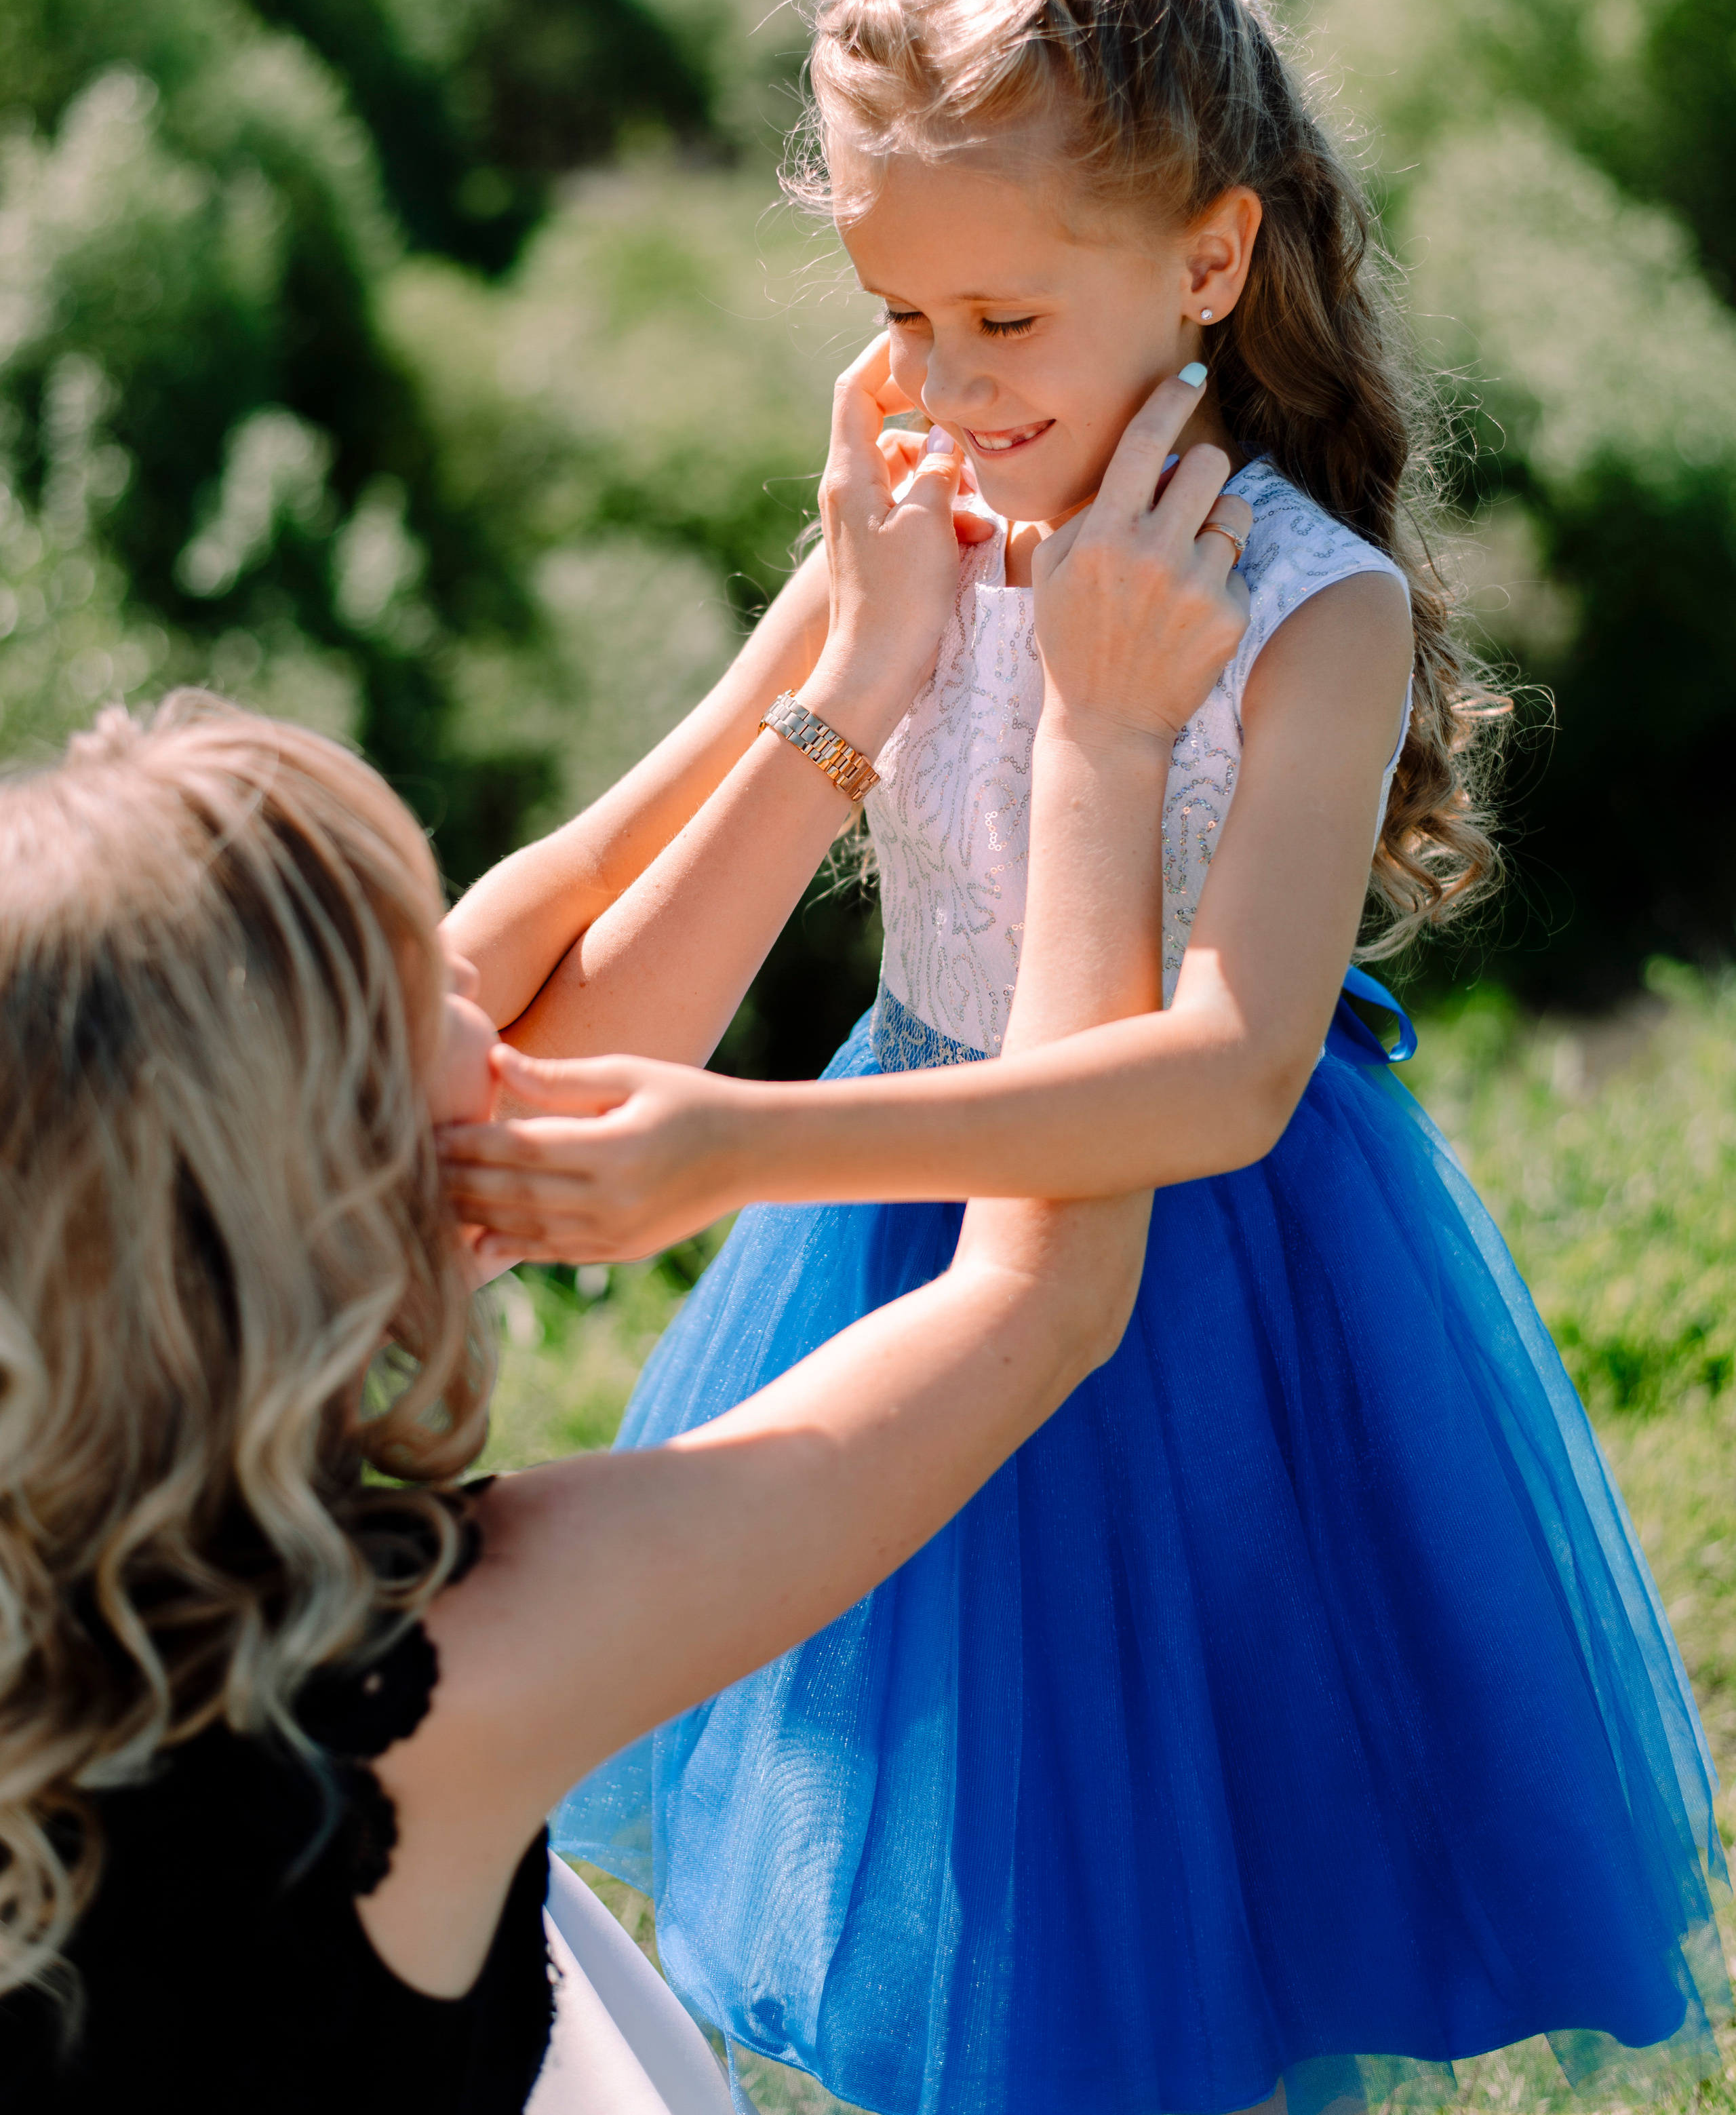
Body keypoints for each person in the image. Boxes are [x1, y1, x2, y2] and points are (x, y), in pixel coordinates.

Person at [442, 0, 1731, 2115]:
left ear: (1209, 263)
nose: (942, 386)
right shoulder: (928, 503)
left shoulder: (1303, 613)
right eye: (898, 314)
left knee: (1161, 1911)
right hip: (891, 1249)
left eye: (1005, 316)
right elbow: (579, 968)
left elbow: (1224, 1077)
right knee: (948, 1868)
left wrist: (732, 1139)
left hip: (1215, 1307)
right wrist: (852, 646)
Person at [0, 372, 1248, 2113]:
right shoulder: (452, 1672)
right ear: (341, 1185)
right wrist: (1101, 746)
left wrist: (843, 673)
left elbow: (550, 952)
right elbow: (1038, 1297)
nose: (479, 987)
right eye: (418, 985)